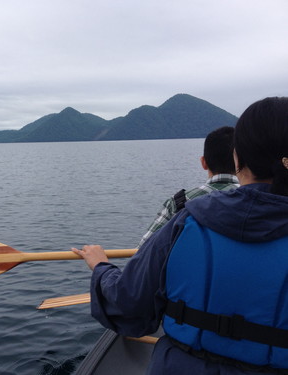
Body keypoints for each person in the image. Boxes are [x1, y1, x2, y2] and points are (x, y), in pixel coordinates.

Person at [72, 97, 288, 374]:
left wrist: (101, 268)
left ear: (238, 157)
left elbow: (128, 306)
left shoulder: (187, 220)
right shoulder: (187, 219)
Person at [138, 126, 239, 247]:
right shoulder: (259, 201)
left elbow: (144, 249)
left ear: (203, 162)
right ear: (243, 162)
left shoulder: (179, 202)